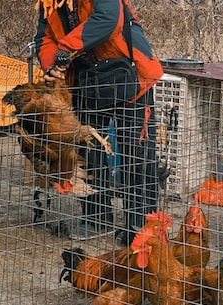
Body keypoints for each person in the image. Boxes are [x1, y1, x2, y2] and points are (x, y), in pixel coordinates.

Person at [34, 0, 163, 243]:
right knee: (89, 151)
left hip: (130, 74)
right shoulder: (47, 3)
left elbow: (108, 20)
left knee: (137, 152)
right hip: (87, 80)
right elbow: (44, 37)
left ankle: (141, 224)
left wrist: (66, 48)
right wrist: (52, 65)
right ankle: (97, 219)